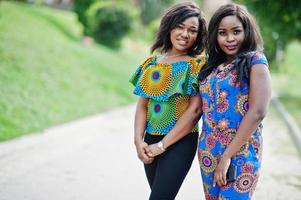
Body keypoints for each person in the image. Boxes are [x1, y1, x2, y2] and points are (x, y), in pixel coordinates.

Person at [129, 2, 207, 200]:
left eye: (192, 30)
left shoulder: (197, 65)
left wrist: (162, 145)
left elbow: (195, 111)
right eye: (180, 27)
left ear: (198, 35)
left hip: (180, 142)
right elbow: (143, 106)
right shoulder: (153, 63)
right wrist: (139, 141)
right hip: (150, 139)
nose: (185, 34)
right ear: (169, 27)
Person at [197, 3, 272, 199]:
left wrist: (227, 156)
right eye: (223, 33)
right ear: (215, 35)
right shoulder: (211, 67)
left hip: (241, 152)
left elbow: (258, 112)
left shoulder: (255, 61)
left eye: (236, 31)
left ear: (247, 32)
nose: (230, 39)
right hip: (209, 152)